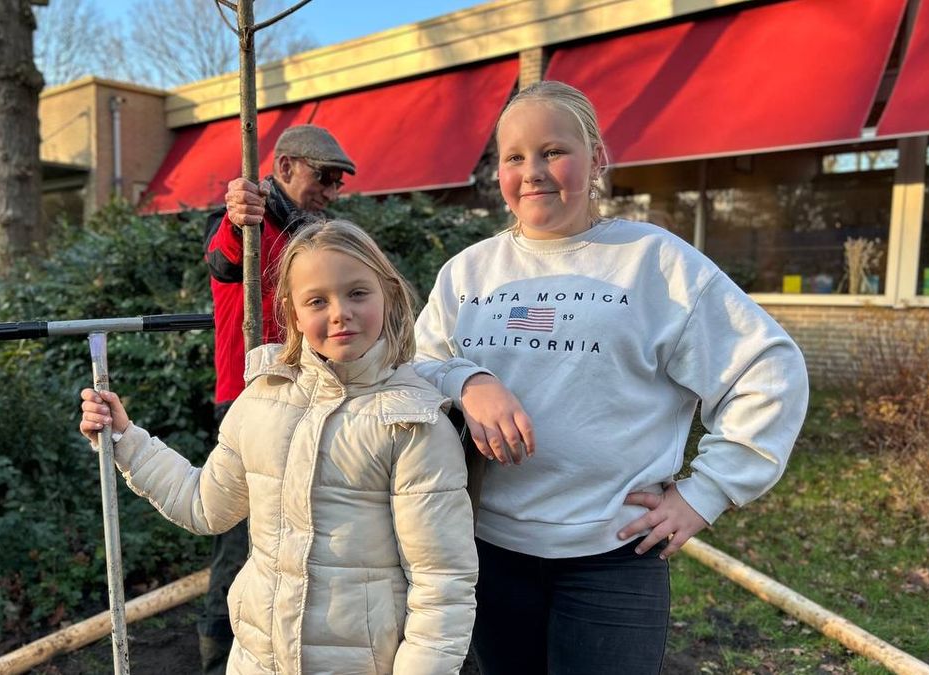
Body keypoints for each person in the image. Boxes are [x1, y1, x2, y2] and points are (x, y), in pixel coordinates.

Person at [412, 80, 810, 674]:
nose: (533, 172)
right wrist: (469, 380)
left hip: (613, 559)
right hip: (486, 552)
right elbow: (417, 371)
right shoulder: (468, 271)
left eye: (553, 151)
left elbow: (769, 370)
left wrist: (705, 493)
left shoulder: (655, 261)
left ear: (597, 157)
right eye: (514, 157)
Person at [80, 219, 478, 674]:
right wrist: (125, 440)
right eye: (317, 300)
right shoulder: (263, 398)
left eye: (357, 293)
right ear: (290, 312)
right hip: (256, 661)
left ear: (387, 293)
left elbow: (442, 583)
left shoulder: (413, 423)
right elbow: (203, 505)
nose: (339, 312)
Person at [200, 124, 355, 672]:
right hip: (250, 399)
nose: (332, 190)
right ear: (284, 166)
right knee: (239, 540)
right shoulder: (249, 222)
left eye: (338, 182)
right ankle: (219, 661)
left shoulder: (316, 236)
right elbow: (222, 260)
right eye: (324, 177)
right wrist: (236, 211)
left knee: (299, 536)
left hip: (312, 400)